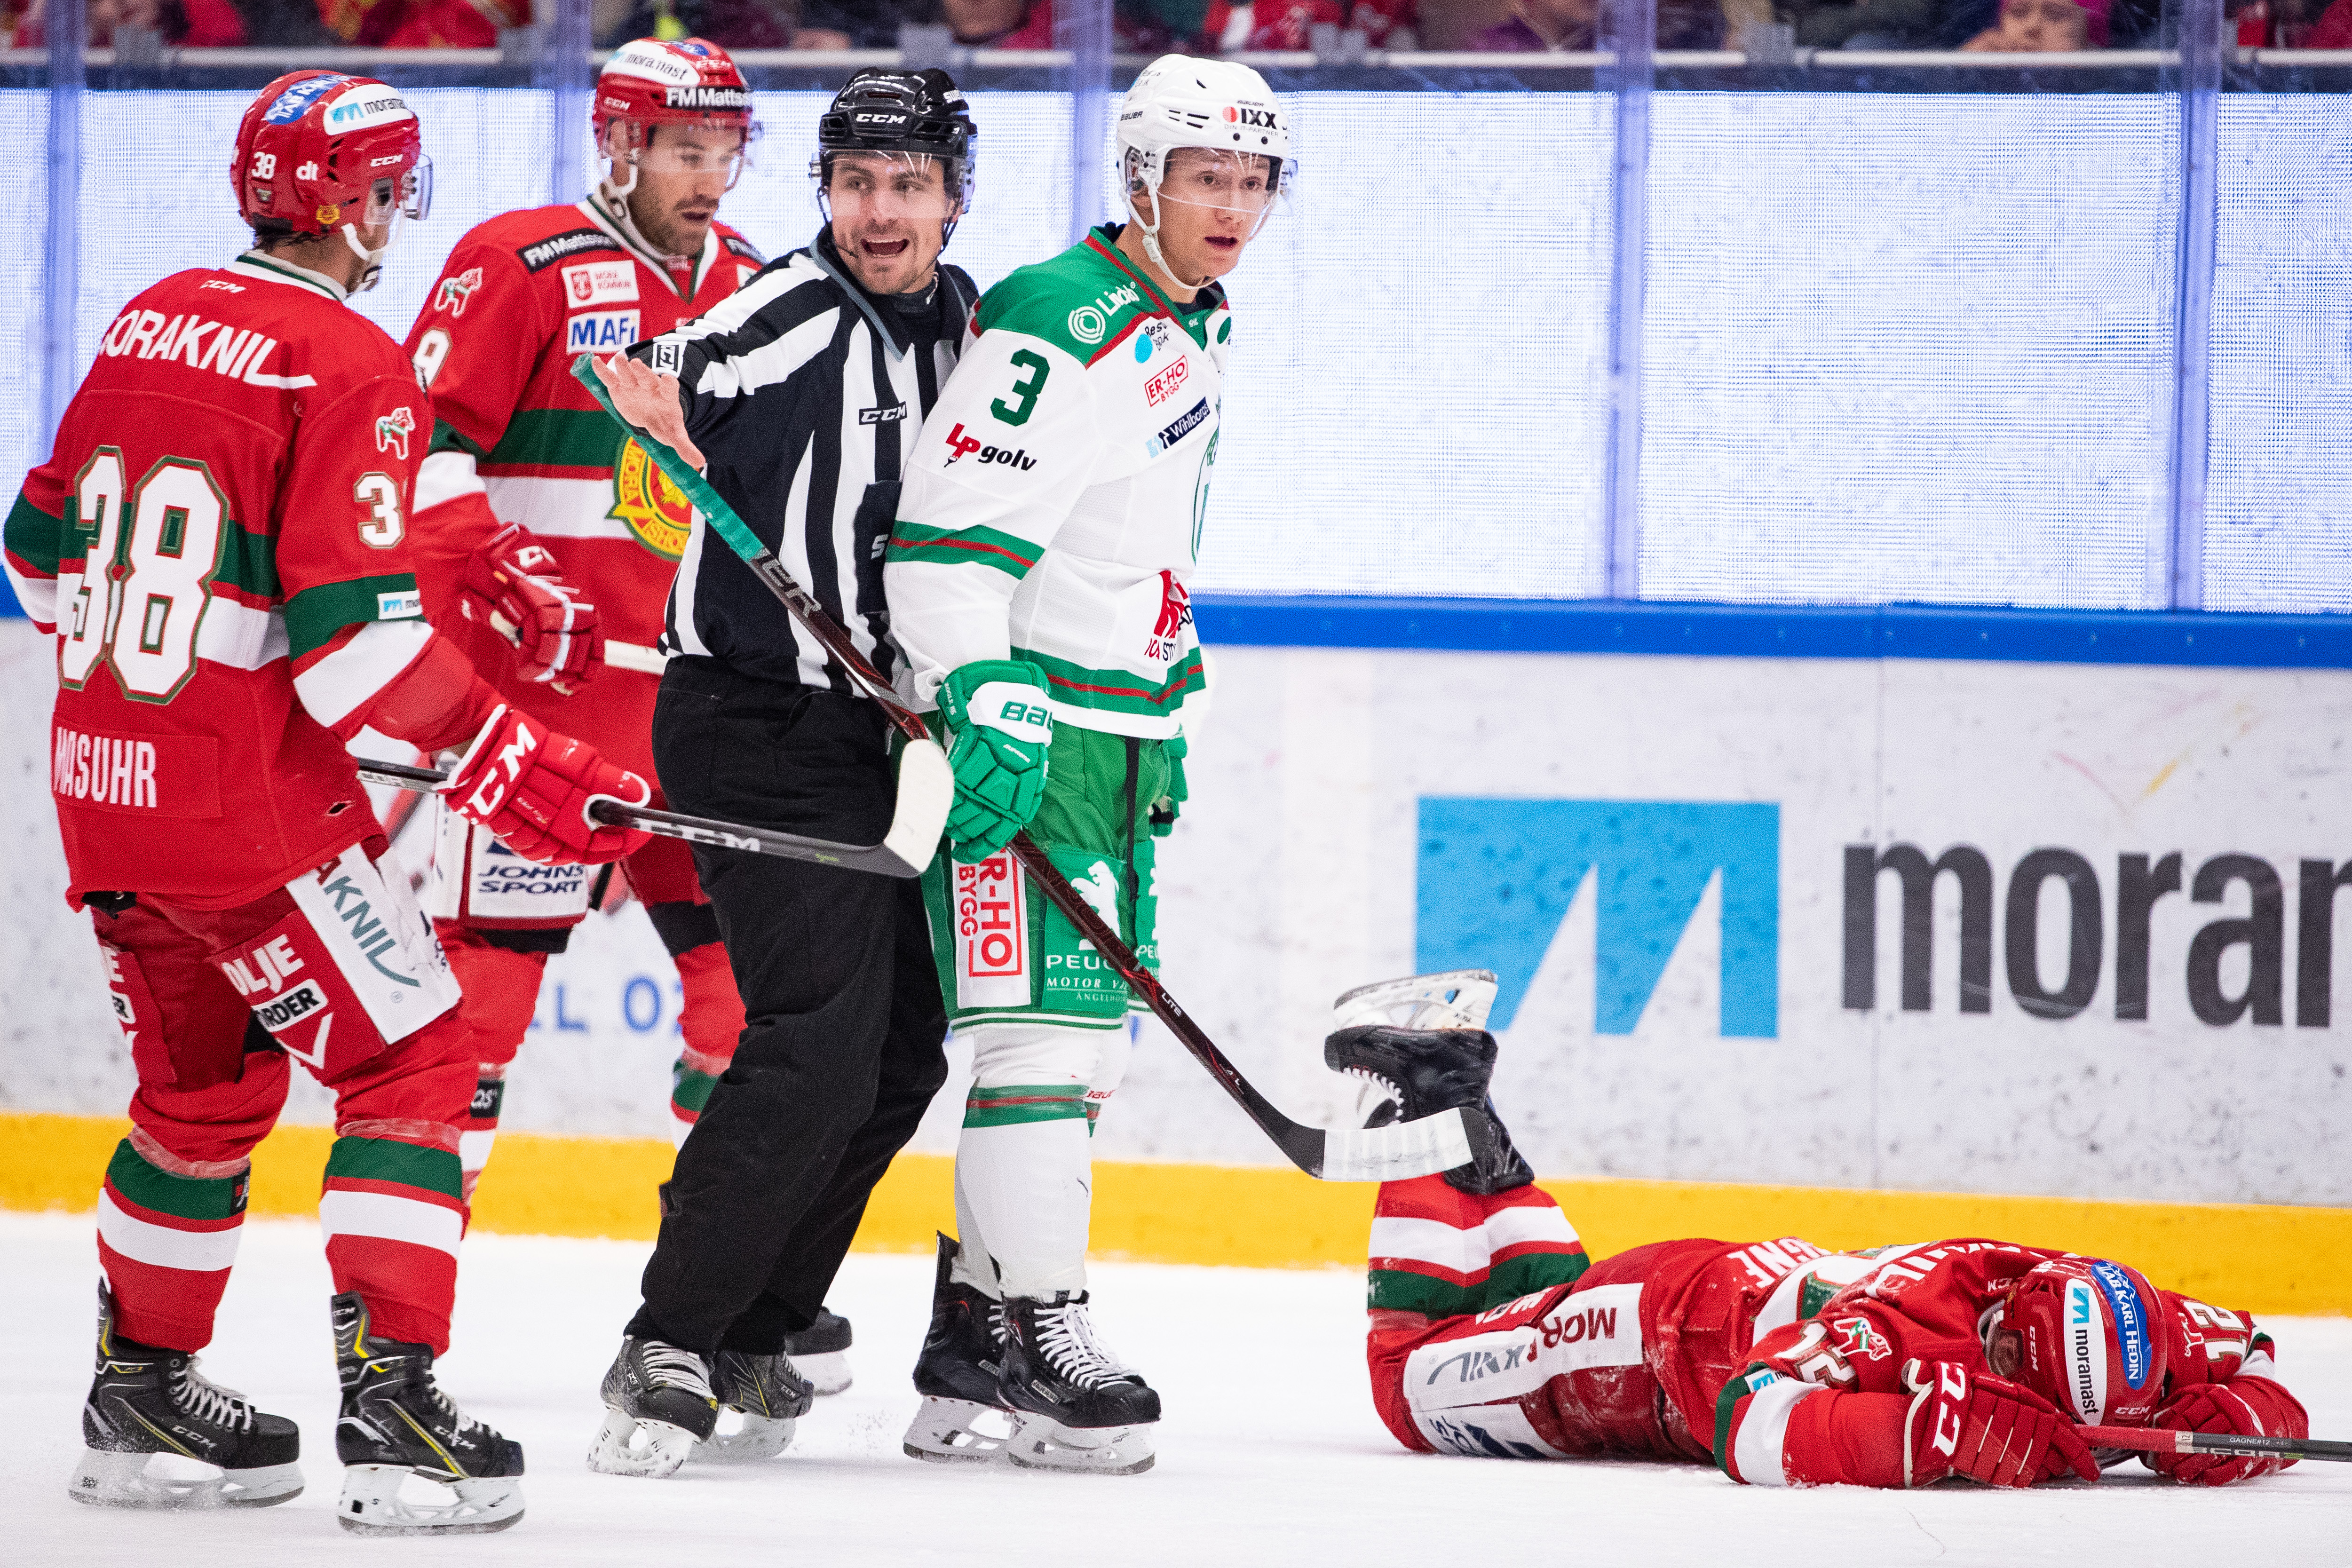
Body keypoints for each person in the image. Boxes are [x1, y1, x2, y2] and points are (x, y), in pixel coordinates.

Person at [0, 71, 654, 1533]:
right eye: (391, 190)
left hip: (106, 793)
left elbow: (36, 557)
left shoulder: (144, 318)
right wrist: (525, 766)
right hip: (252, 815)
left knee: (203, 1093)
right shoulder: (347, 356)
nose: (396, 219)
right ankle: (397, 1409)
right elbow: (360, 647)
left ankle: (143, 1392)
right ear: (359, 201)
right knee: (415, 1061)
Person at [879, 55, 1286, 1478]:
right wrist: (984, 693)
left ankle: (973, 1338)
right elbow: (941, 542)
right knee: (1034, 1043)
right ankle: (1045, 1332)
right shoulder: (1068, 316)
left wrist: (1166, 712)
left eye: (1253, 181)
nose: (1233, 206)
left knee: (1078, 1057)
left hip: (1116, 738)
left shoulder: (1190, 322)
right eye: (1205, 177)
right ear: (1139, 179)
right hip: (1033, 733)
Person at [578, 67, 982, 1480]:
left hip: (886, 741)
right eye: (857, 182)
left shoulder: (976, 329)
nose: (880, 211)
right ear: (826, 191)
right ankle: (671, 1332)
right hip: (751, 722)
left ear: (949, 195)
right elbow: (647, 393)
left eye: (908, 184)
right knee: (813, 1030)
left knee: (899, 1049)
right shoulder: (773, 317)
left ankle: (760, 1318)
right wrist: (656, 422)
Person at [1327, 977, 2312, 1489]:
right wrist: (1916, 1435)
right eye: (2008, 1349)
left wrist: (2240, 1428)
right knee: (1407, 1382)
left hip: (1708, 1289)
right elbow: (1748, 1421)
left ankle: (1459, 1098)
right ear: (2010, 1322)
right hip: (1657, 1338)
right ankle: (1432, 1098)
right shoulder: (1895, 1321)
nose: (2004, 1356)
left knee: (1511, 1300)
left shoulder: (2126, 1320)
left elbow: (2254, 1354)